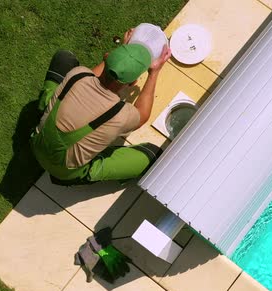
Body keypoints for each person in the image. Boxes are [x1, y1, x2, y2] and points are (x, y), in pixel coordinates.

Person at [31, 28, 171, 185]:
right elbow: (143, 114)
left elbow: (100, 74)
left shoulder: (78, 75)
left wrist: (121, 54)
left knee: (64, 59)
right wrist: (154, 73)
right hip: (64, 172)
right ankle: (79, 174)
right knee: (152, 155)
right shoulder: (121, 115)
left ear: (107, 57)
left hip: (37, 143)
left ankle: (43, 109)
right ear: (132, 84)